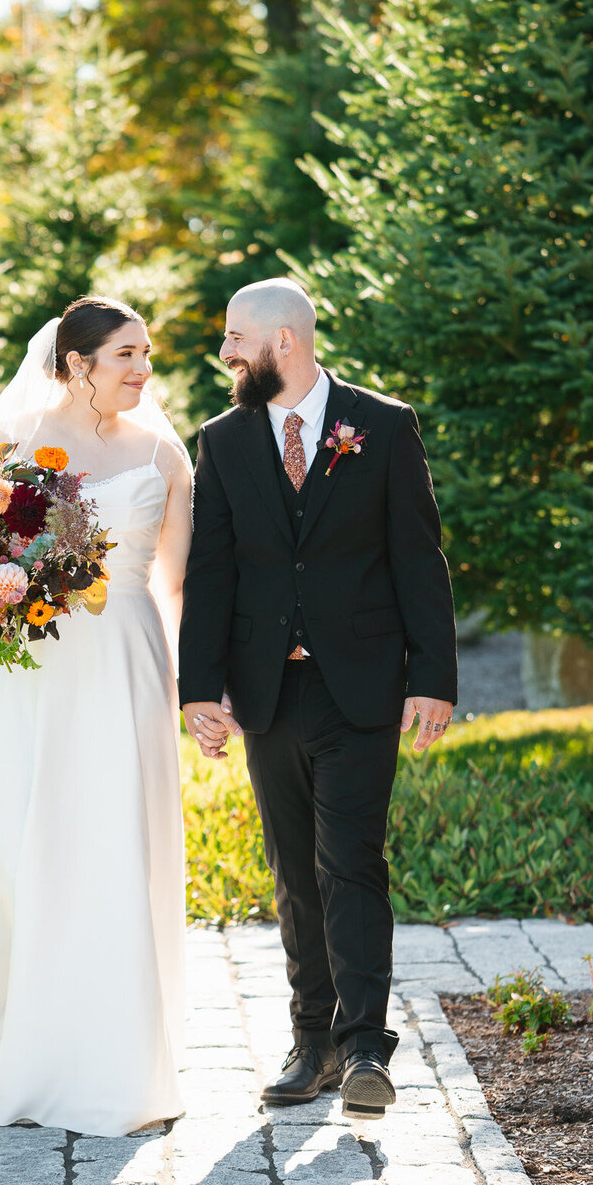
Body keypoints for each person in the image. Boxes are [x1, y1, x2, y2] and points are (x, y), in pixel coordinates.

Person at [0, 297, 194, 1137]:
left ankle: (112, 1044)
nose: (143, 370)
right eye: (127, 356)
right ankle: (5, 1033)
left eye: (147, 354)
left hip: (124, 662)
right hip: (21, 673)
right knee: (14, 840)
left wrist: (193, 683)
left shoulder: (163, 453)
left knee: (111, 837)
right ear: (77, 364)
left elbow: (179, 583)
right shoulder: (10, 452)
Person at [178, 278, 457, 1119]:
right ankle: (314, 1043)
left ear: (284, 343)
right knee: (295, 873)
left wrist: (433, 678)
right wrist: (199, 690)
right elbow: (214, 570)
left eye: (235, 338)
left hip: (363, 684)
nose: (225, 353)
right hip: (271, 690)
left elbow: (419, 555)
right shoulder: (223, 441)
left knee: (352, 864)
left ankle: (368, 1044)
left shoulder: (383, 425)